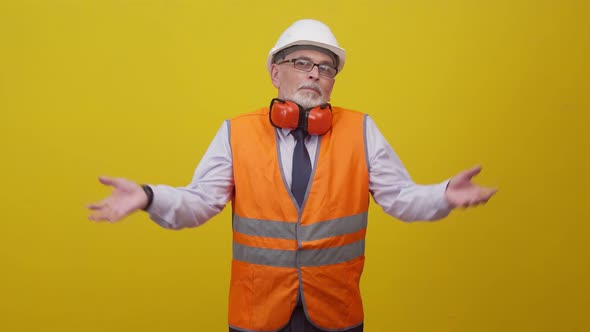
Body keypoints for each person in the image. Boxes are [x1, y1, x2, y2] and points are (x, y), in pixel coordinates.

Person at [87, 19, 497, 332]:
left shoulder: (362, 130)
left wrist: (443, 195)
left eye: (325, 67)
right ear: (274, 73)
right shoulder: (237, 132)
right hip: (257, 315)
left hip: (336, 314)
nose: (315, 74)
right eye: (302, 63)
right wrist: (149, 196)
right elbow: (198, 203)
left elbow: (402, 198)